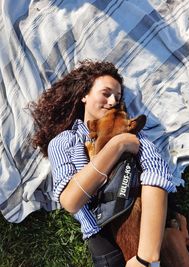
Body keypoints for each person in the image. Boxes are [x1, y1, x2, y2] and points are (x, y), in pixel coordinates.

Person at [29, 59, 176, 267]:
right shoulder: (64, 142)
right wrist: (117, 145)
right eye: (106, 93)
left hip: (146, 229)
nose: (113, 101)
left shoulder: (130, 129)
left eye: (117, 97)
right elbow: (71, 201)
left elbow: (157, 173)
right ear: (84, 95)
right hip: (103, 241)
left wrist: (146, 258)